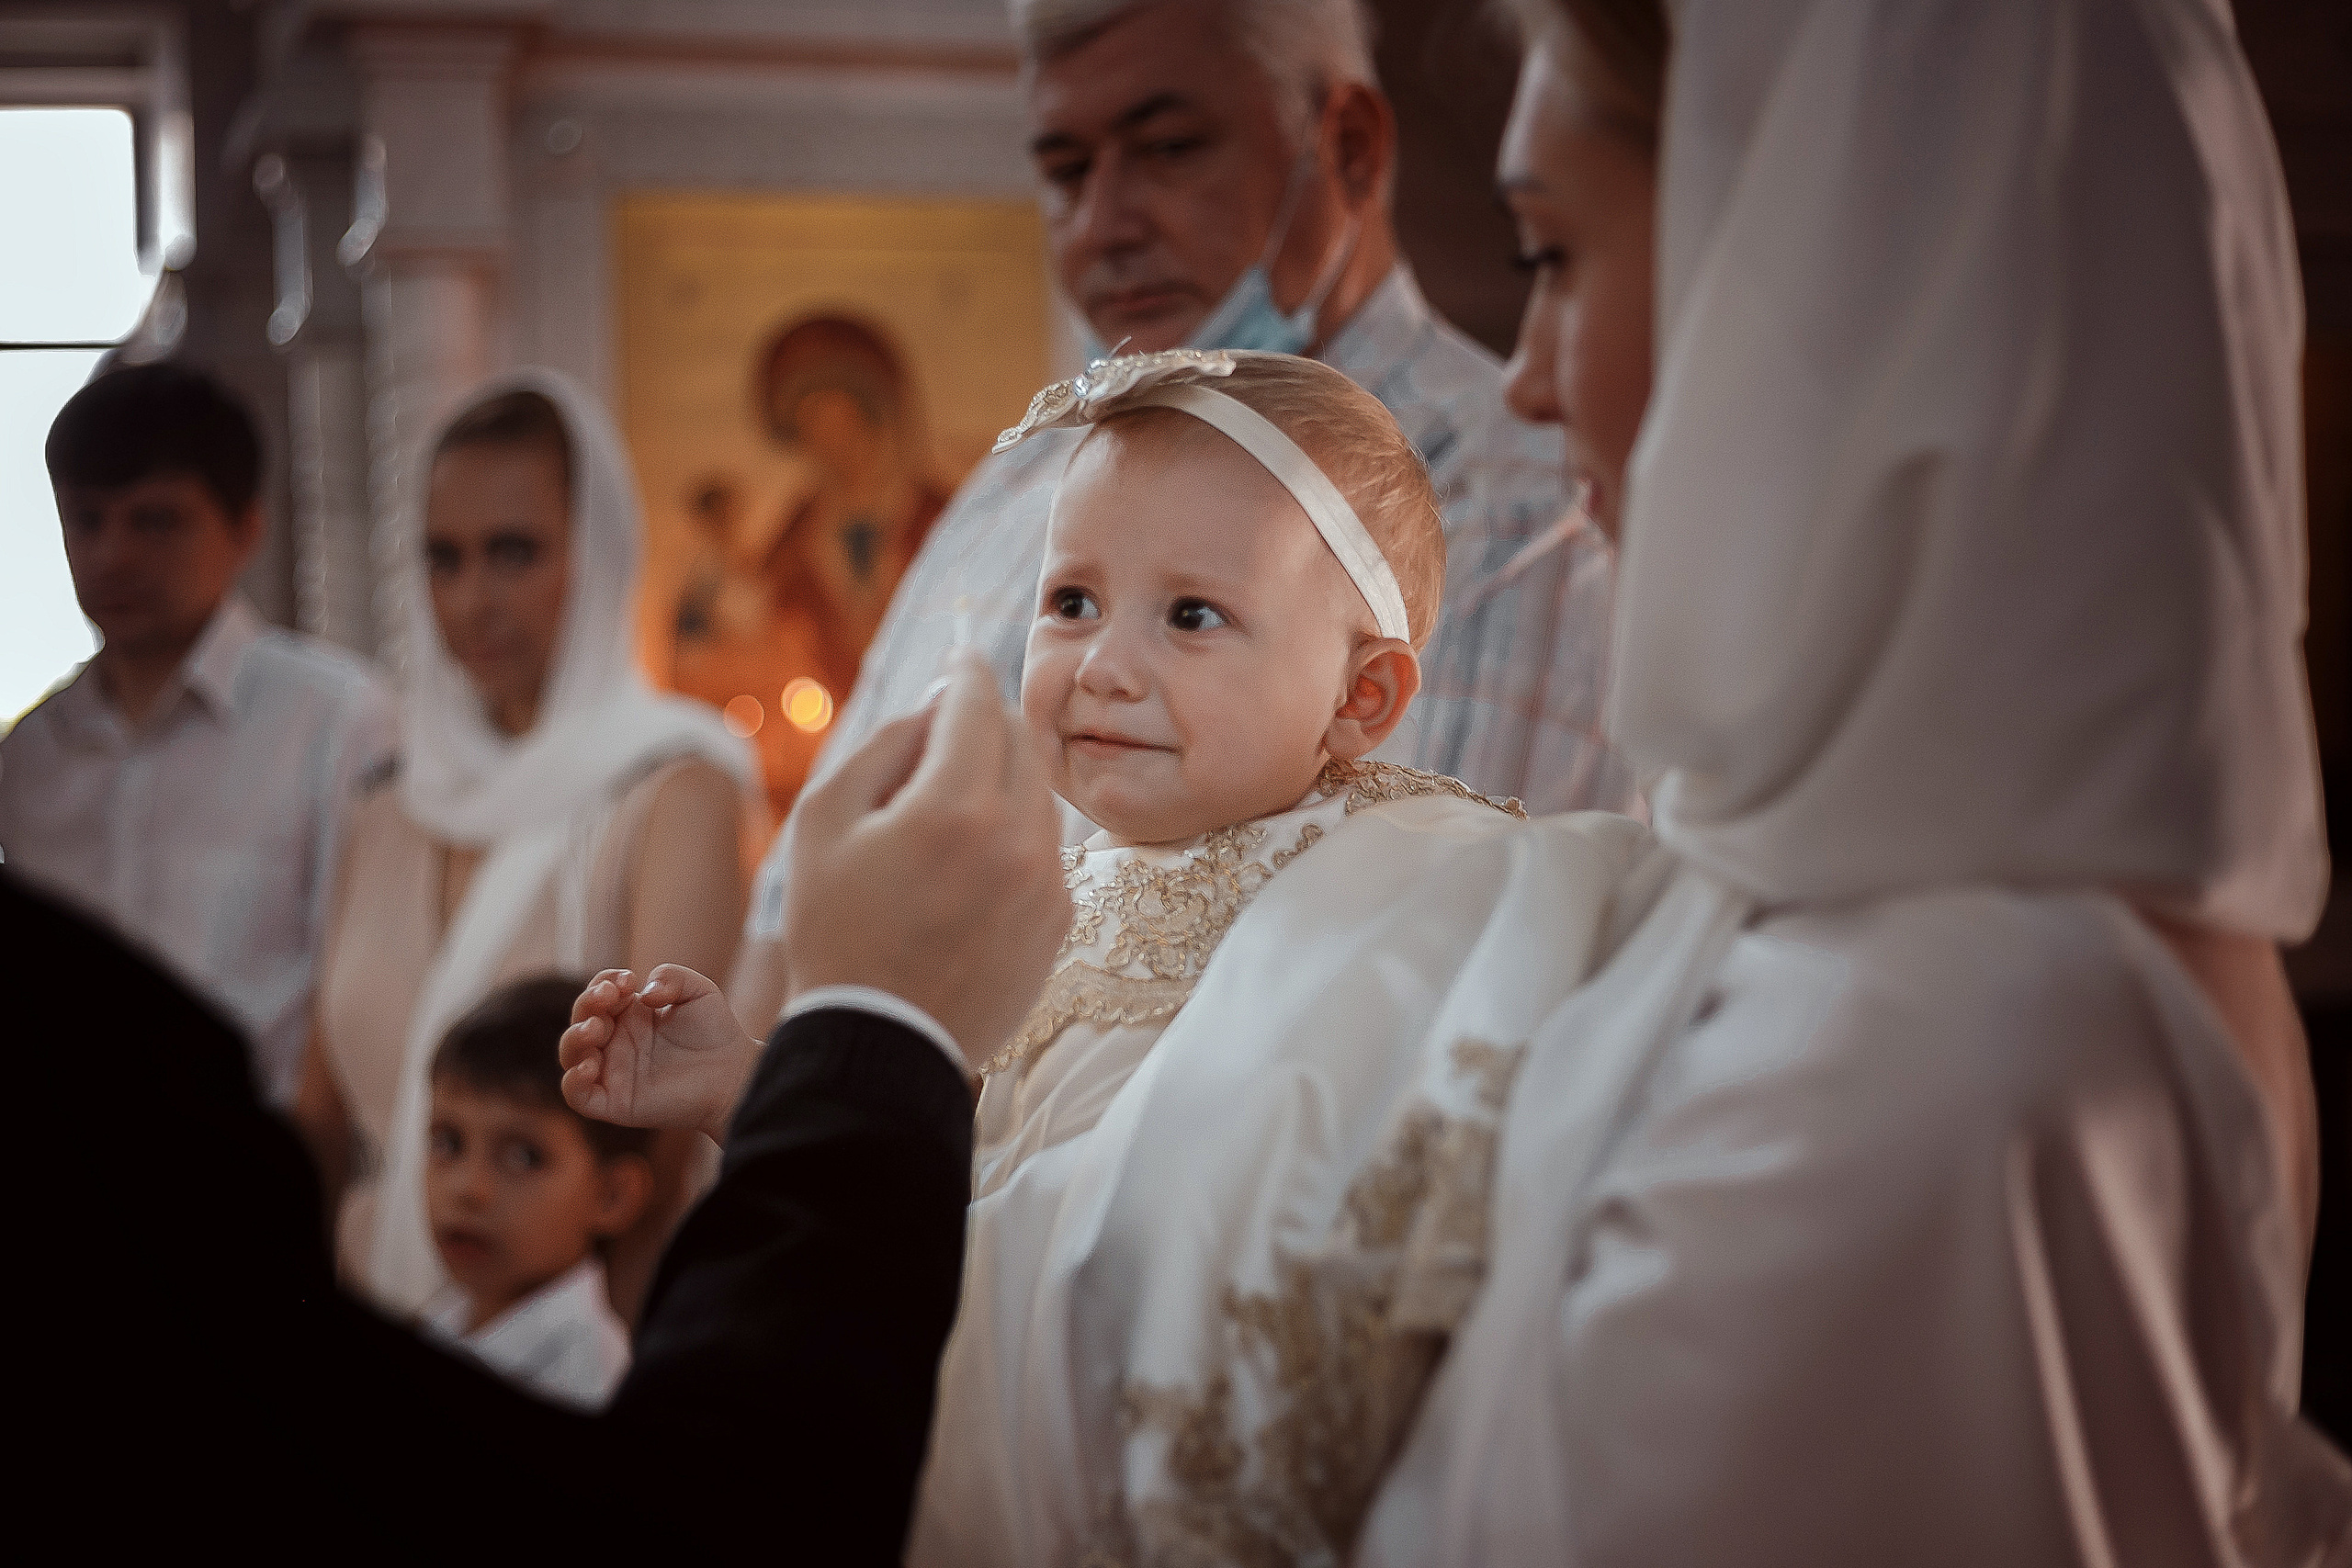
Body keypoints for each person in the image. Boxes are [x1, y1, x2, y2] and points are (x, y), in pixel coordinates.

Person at [948, 0, 2347, 1562]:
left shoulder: (1963, 1058)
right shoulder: (1765, 908)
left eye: (1552, 255)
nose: (1530, 384)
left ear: (1842, 279)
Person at [15, 648, 1074, 1562]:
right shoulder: (386, 796)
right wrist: (875, 1024)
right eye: (447, 1144)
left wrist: (759, 1085)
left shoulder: (677, 777)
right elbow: (706, 1524)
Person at [729, 0, 1633, 1029]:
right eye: (1067, 172)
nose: (1105, 227)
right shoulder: (1020, 477)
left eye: (1168, 151)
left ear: (1346, 147)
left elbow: (1422, 1023)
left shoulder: (1509, 500)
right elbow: (793, 924)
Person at [292, 369, 757, 1328]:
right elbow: (324, 1114)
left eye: (514, 552)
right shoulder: (389, 800)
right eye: (444, 557)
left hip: (576, 1352)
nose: (473, 598)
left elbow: (659, 1154)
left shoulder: (676, 788)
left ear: (601, 552)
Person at [0, 362, 394, 1107]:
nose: (113, 554)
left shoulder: (336, 720)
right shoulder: (28, 759)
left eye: (155, 520)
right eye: (86, 519)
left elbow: (351, 1000)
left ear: (245, 526)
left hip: (255, 1172)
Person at [419, 976, 653, 1411]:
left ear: (612, 1196)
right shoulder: (442, 1319)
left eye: (524, 1157)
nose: (468, 1189)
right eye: (448, 1143)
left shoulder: (589, 1381)